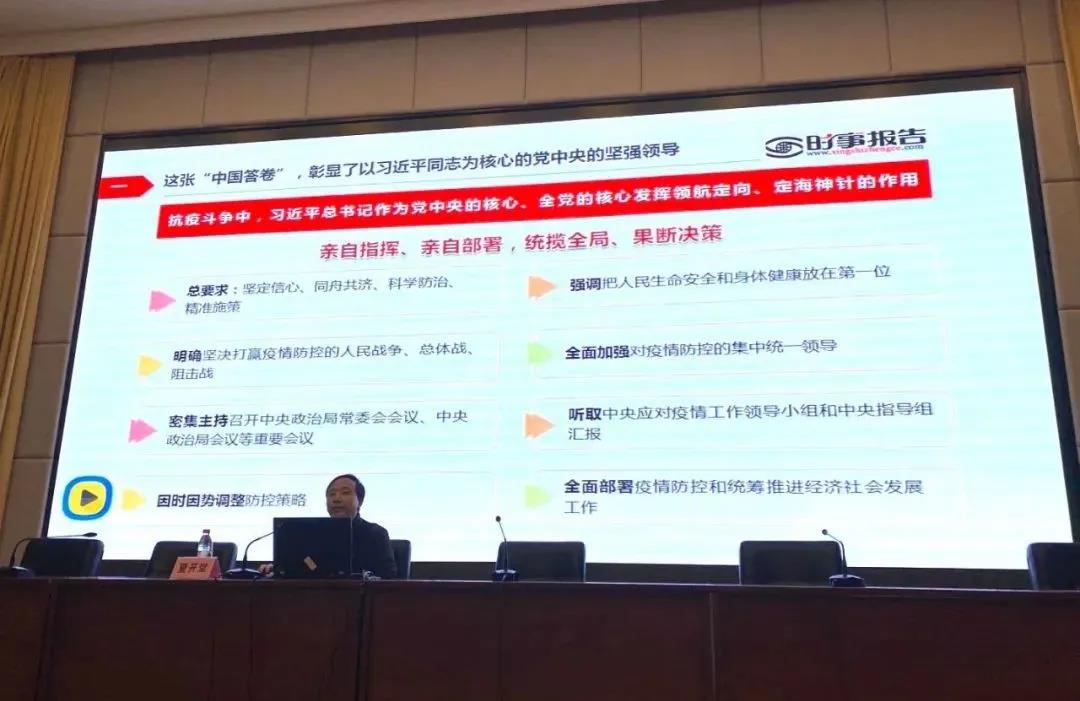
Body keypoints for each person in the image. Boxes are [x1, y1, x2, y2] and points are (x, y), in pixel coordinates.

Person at [260, 474, 397, 578]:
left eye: (345, 493)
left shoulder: (375, 534)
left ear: (359, 501)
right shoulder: (312, 534)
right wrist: (279, 568)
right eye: (331, 494)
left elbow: (387, 577)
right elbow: (307, 565)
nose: (336, 499)